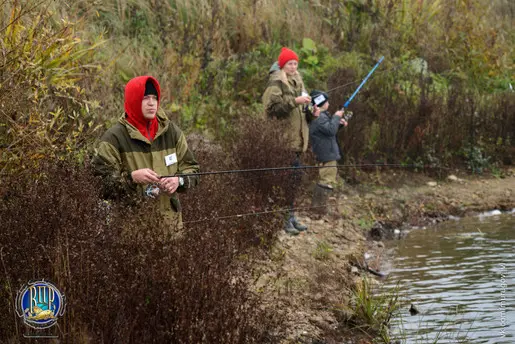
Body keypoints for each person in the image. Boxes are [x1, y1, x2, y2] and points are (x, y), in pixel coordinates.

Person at [92, 76, 199, 229]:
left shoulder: (172, 132)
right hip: (129, 235)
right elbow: (99, 184)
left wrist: (179, 180)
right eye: (145, 97)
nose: (151, 103)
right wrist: (132, 178)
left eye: (155, 98)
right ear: (134, 99)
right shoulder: (113, 138)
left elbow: (193, 169)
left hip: (171, 231)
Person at [262, 47, 313, 235]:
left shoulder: (297, 82)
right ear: (283, 65)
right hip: (284, 142)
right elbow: (272, 109)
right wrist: (295, 101)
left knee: (294, 180)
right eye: (290, 64)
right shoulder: (276, 83)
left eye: (295, 64)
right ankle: (283, 219)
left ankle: (290, 217)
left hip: (297, 141)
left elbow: (300, 115)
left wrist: (312, 113)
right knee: (286, 181)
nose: (293, 67)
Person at [308, 90, 347, 191]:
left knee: (326, 182)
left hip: (326, 153)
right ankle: (320, 206)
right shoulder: (319, 116)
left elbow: (327, 131)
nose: (328, 104)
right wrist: (337, 117)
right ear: (321, 103)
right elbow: (330, 130)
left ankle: (321, 205)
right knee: (325, 183)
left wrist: (338, 123)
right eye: (327, 102)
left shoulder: (322, 115)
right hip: (326, 155)